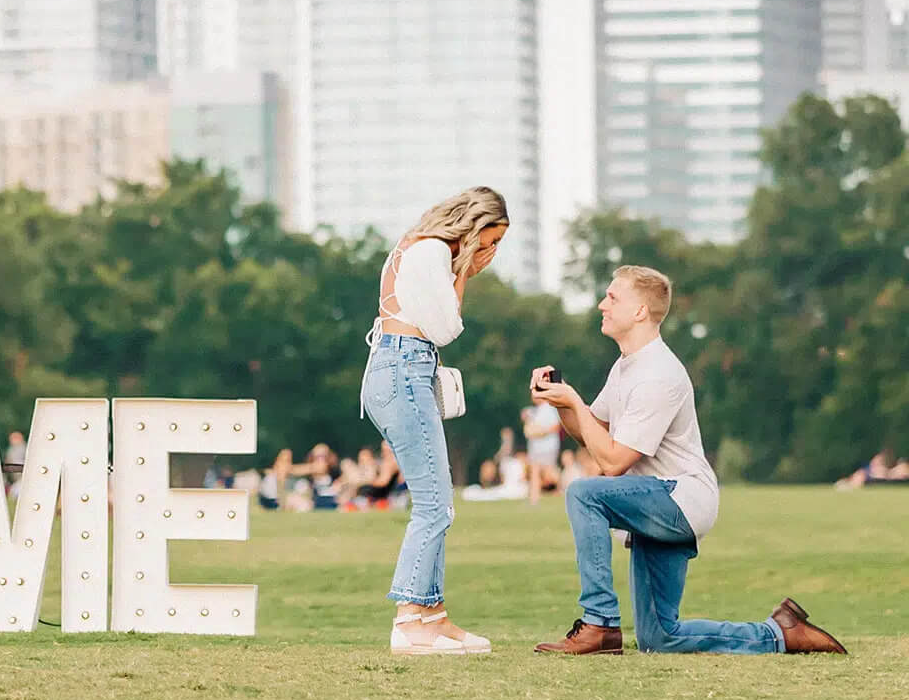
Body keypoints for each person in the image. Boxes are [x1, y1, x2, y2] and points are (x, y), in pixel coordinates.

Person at [530, 265, 846, 656]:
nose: (602, 305)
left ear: (641, 311)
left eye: (612, 298)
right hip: (652, 501)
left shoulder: (659, 374)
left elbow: (613, 464)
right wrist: (561, 402)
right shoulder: (627, 366)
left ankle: (599, 625)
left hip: (680, 499)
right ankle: (782, 633)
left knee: (584, 493)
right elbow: (592, 433)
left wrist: (574, 401)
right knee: (661, 638)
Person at [359, 186, 510, 655]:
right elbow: (447, 328)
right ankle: (409, 620)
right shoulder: (429, 253)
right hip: (404, 367)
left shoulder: (421, 248)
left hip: (404, 366)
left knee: (436, 503)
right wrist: (465, 271)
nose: (492, 252)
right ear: (472, 226)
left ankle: (433, 614)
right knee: (435, 505)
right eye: (491, 239)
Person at [523, 400, 563, 503]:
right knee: (535, 470)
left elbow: (556, 426)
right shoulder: (536, 410)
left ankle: (560, 492)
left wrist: (541, 433)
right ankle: (534, 498)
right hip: (536, 447)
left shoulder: (549, 408)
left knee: (550, 471)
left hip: (548, 446)